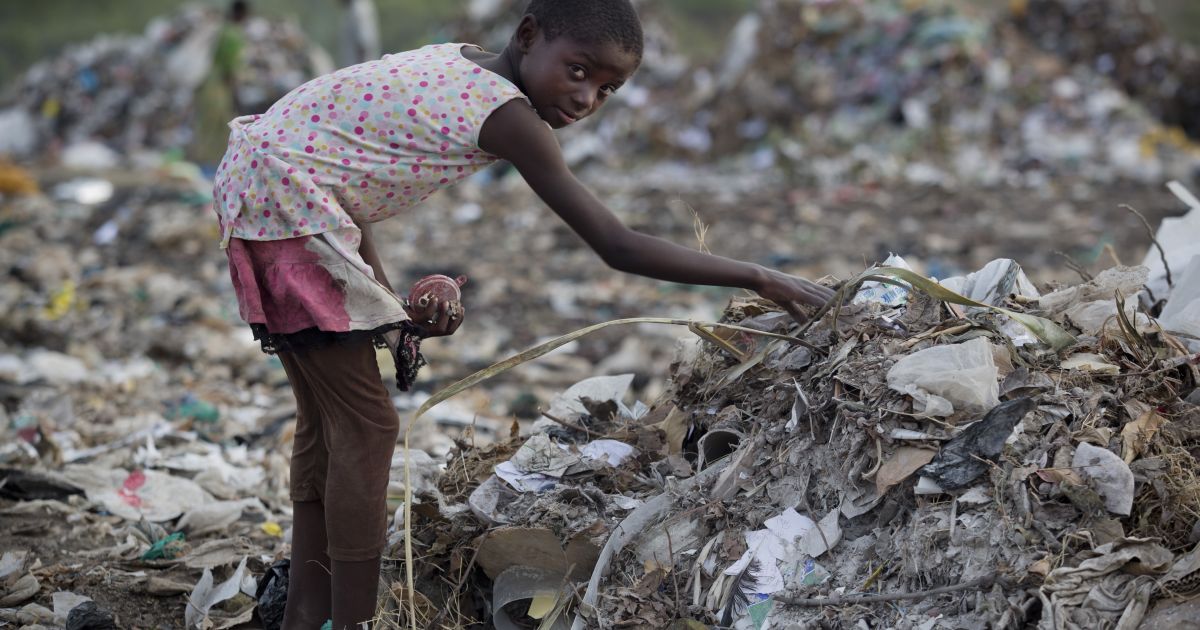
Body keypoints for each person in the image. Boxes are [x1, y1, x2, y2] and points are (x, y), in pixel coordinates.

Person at [211, 0, 835, 627]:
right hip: (286, 198)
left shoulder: (458, 61)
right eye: (579, 71)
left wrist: (388, 306)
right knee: (367, 427)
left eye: (608, 89)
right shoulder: (509, 117)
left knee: (328, 423)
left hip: (264, 179)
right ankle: (353, 621)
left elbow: (342, 180)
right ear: (528, 36)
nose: (587, 98)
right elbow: (616, 245)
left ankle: (306, 615)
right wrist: (759, 275)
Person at [338, 0, 381, 67]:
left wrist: (362, 67)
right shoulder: (352, 8)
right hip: (357, 66)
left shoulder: (358, 8)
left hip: (360, 66)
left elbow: (364, 42)